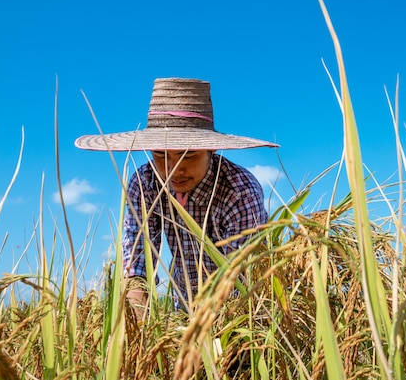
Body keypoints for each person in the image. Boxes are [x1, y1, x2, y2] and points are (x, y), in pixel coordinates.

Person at [75, 77, 278, 315]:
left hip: (242, 315)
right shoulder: (145, 184)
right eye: (161, 155)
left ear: (211, 149)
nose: (174, 169)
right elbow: (137, 269)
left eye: (188, 155)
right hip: (184, 309)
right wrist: (136, 338)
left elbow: (243, 280)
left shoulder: (238, 191)